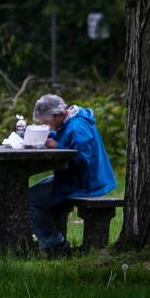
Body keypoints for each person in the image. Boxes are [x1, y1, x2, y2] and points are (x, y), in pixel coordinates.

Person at [28, 93, 117, 256]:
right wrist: (49, 137)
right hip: (74, 178)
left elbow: (83, 160)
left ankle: (55, 245)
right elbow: (64, 136)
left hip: (86, 182)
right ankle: (50, 240)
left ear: (57, 115)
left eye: (46, 122)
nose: (46, 126)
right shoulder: (68, 122)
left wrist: (58, 147)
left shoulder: (78, 128)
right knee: (31, 194)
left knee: (29, 200)